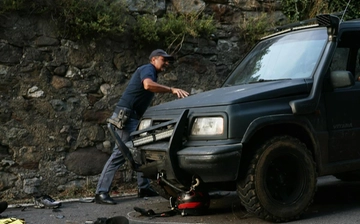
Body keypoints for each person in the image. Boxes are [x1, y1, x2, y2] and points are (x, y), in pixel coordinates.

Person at [95, 49, 189, 205]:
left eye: (168, 61)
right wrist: (171, 90)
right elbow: (147, 85)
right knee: (120, 153)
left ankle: (143, 187)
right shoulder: (147, 69)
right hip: (126, 117)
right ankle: (101, 192)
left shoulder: (152, 72)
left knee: (141, 150)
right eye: (163, 59)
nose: (166, 63)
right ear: (153, 59)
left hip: (133, 118)